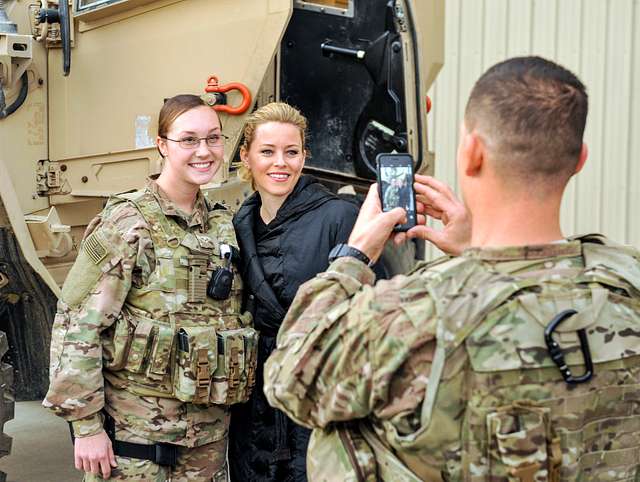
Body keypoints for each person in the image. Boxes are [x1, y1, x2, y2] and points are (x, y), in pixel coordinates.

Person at [263, 56, 640, 481]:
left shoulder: (415, 312)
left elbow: (289, 379)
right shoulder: (628, 281)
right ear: (580, 159)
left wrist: (352, 258)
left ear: (472, 153)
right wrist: (473, 249)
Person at [43, 94, 257, 481]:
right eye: (188, 140)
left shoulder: (224, 226)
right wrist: (86, 428)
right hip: (136, 450)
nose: (203, 151)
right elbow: (78, 324)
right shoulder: (128, 222)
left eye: (213, 138)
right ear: (161, 145)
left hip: (206, 448)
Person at [228, 102, 360, 481]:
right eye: (267, 152)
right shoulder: (238, 222)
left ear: (305, 156)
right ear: (246, 156)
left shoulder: (338, 216)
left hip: (314, 393)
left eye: (292, 152)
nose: (279, 163)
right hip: (253, 401)